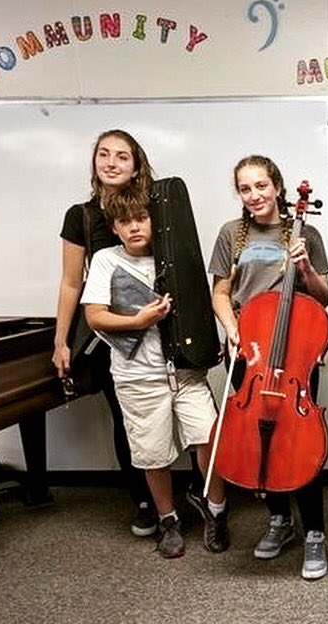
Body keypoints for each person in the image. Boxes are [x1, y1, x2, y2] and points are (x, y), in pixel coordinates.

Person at [81, 191, 228, 559]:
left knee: (209, 438)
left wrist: (211, 342)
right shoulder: (104, 260)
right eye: (125, 221)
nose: (134, 227)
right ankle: (168, 520)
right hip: (138, 377)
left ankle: (215, 512)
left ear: (153, 221)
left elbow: (200, 304)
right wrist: (138, 321)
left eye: (140, 219)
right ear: (114, 228)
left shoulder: (174, 255)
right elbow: (95, 316)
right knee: (152, 455)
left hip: (186, 374)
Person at [209, 155, 328, 580]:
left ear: (277, 187)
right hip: (250, 350)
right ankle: (280, 521)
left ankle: (315, 532)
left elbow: (324, 296)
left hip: (295, 351)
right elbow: (221, 292)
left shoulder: (306, 231)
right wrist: (231, 328)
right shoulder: (231, 234)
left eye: (261, 186)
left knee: (299, 439)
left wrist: (306, 268)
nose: (254, 195)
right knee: (258, 437)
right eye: (245, 188)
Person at [53, 130, 156, 537]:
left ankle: (175, 493)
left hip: (158, 327)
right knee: (125, 416)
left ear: (136, 165)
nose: (111, 163)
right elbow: (69, 282)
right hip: (109, 332)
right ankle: (144, 500)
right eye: (103, 155)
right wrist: (61, 340)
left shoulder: (154, 206)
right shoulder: (80, 215)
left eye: (122, 156)